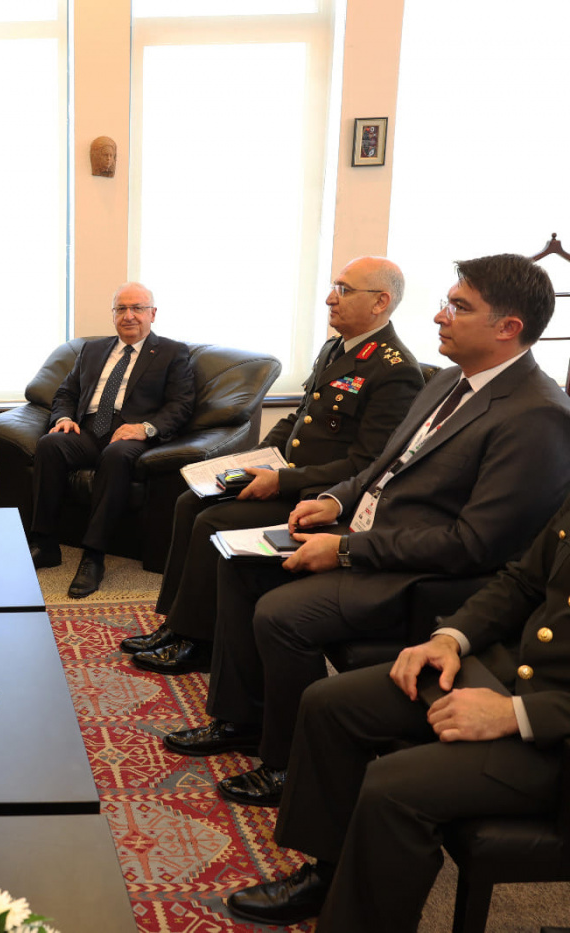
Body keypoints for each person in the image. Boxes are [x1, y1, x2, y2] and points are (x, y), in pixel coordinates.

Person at [164, 253, 570, 810]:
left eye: (458, 307)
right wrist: (333, 499)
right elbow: (383, 466)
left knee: (281, 614)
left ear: (508, 327)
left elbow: (474, 544)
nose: (439, 316)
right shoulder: (448, 379)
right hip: (369, 533)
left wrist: (347, 550)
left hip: (420, 574)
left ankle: (288, 764)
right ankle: (243, 720)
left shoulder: (537, 415)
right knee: (240, 561)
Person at [225, 493, 570, 930]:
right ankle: (329, 876)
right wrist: (451, 638)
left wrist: (515, 713)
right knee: (328, 705)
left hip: (554, 736)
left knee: (392, 787)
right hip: (514, 675)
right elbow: (524, 582)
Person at [127, 257, 424, 673]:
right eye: (333, 287)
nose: (330, 298)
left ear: (380, 302)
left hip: (320, 498)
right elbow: (298, 419)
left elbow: (367, 464)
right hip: (288, 477)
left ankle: (200, 642)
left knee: (213, 520)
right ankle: (177, 625)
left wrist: (281, 480)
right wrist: (253, 460)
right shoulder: (336, 347)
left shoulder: (395, 370)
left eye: (343, 290)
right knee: (189, 501)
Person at [28, 282, 195, 598]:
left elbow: (181, 404)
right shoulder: (92, 350)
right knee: (50, 444)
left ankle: (93, 555)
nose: (128, 315)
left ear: (153, 314)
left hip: (131, 433)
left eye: (137, 308)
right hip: (88, 430)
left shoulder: (172, 353)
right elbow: (66, 393)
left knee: (116, 455)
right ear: (113, 314)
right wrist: (63, 419)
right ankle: (45, 542)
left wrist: (146, 428)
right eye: (121, 309)